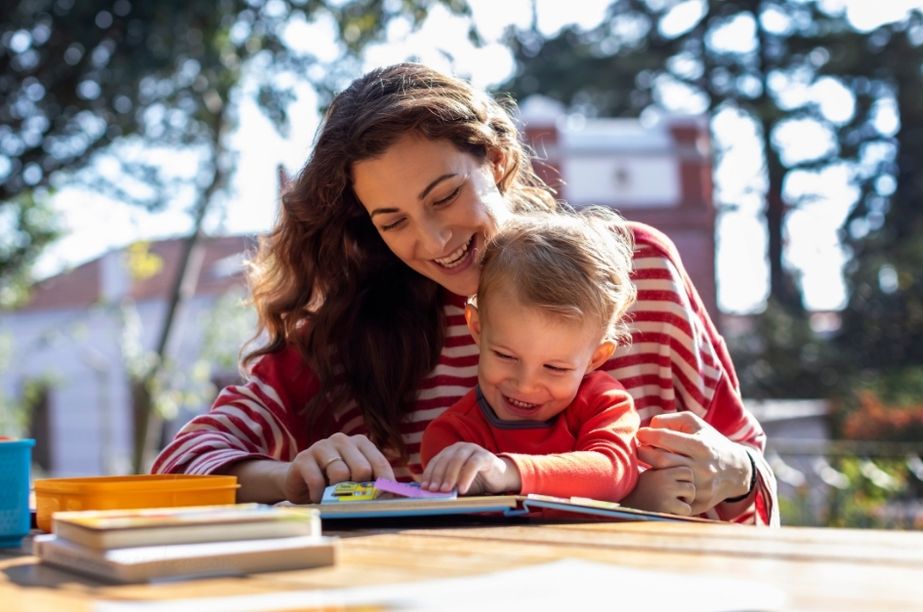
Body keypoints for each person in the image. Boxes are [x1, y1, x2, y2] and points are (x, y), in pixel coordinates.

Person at [152, 62, 779, 525]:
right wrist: (290, 478)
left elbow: (755, 481)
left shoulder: (637, 268)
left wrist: (738, 474)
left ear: (498, 160)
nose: (435, 240)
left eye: (446, 196)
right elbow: (180, 462)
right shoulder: (353, 332)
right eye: (393, 221)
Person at [419, 209, 639, 501]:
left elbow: (613, 473)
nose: (525, 385)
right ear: (477, 327)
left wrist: (507, 472)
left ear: (595, 358)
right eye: (506, 356)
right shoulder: (453, 437)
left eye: (555, 368)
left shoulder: (602, 403)